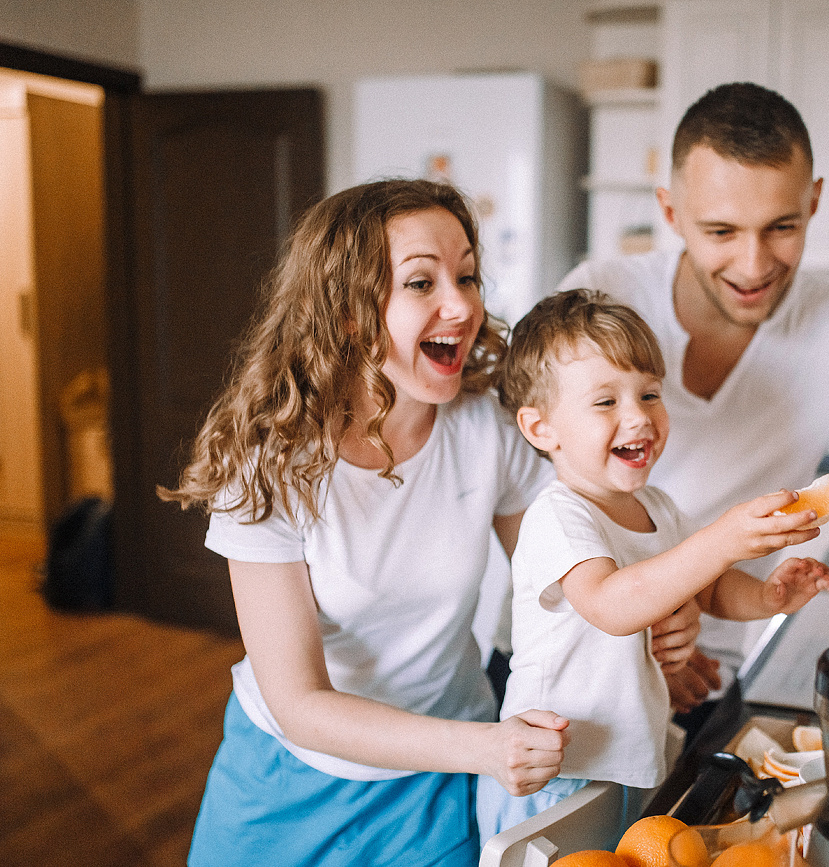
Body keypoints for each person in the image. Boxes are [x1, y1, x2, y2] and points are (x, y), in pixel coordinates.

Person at [159, 180, 581, 867]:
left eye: (467, 275)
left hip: (437, 781)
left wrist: (652, 616)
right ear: (348, 312)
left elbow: (562, 582)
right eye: (422, 281)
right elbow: (299, 701)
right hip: (287, 778)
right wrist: (487, 748)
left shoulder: (487, 428)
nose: (463, 303)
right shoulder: (273, 460)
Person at [555, 82, 829, 723]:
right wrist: (641, 637)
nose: (754, 264)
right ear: (670, 213)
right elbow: (533, 493)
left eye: (782, 227)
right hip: (583, 654)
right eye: (722, 231)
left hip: (719, 667)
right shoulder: (601, 295)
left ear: (814, 202)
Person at [477, 288, 829, 842]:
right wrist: (723, 537)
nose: (638, 418)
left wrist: (768, 598)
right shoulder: (557, 517)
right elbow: (612, 603)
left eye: (648, 394)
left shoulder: (657, 508)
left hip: (627, 759)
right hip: (556, 774)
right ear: (540, 428)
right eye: (605, 402)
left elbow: (711, 588)